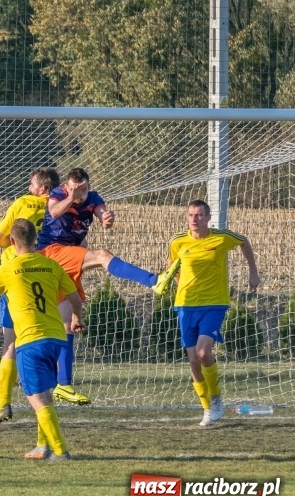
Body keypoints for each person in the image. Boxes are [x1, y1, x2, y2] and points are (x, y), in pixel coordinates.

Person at [35, 168, 176, 407]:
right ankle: (154, 281)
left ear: (89, 187)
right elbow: (54, 211)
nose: (80, 193)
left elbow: (102, 215)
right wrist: (71, 197)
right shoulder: (59, 194)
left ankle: (63, 385)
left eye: (83, 189)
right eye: (75, 188)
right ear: (67, 186)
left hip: (65, 260)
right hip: (51, 252)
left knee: (67, 324)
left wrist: (106, 219)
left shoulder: (93, 198)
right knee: (102, 255)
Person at [0, 219, 84, 460]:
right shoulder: (52, 265)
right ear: (35, 239)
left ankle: (60, 451)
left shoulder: (8, 270)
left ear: (12, 241)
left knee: (37, 398)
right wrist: (76, 318)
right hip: (56, 338)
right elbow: (75, 298)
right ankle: (42, 446)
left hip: (31, 341)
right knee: (45, 394)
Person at [163, 199, 260, 426]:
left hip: (214, 304)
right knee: (193, 361)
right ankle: (207, 408)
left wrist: (253, 272)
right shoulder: (178, 241)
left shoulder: (221, 237)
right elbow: (171, 266)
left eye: (199, 215)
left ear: (208, 217)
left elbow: (244, 241)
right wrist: (176, 282)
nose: (194, 219)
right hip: (185, 305)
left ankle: (216, 398)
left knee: (203, 352)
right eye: (190, 215)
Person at [0, 167, 64, 429]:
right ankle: (49, 401)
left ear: (42, 188)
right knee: (43, 339)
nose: (28, 187)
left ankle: (2, 404)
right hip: (46, 278)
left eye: (31, 184)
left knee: (10, 343)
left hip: (17, 276)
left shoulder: (23, 203)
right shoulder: (60, 209)